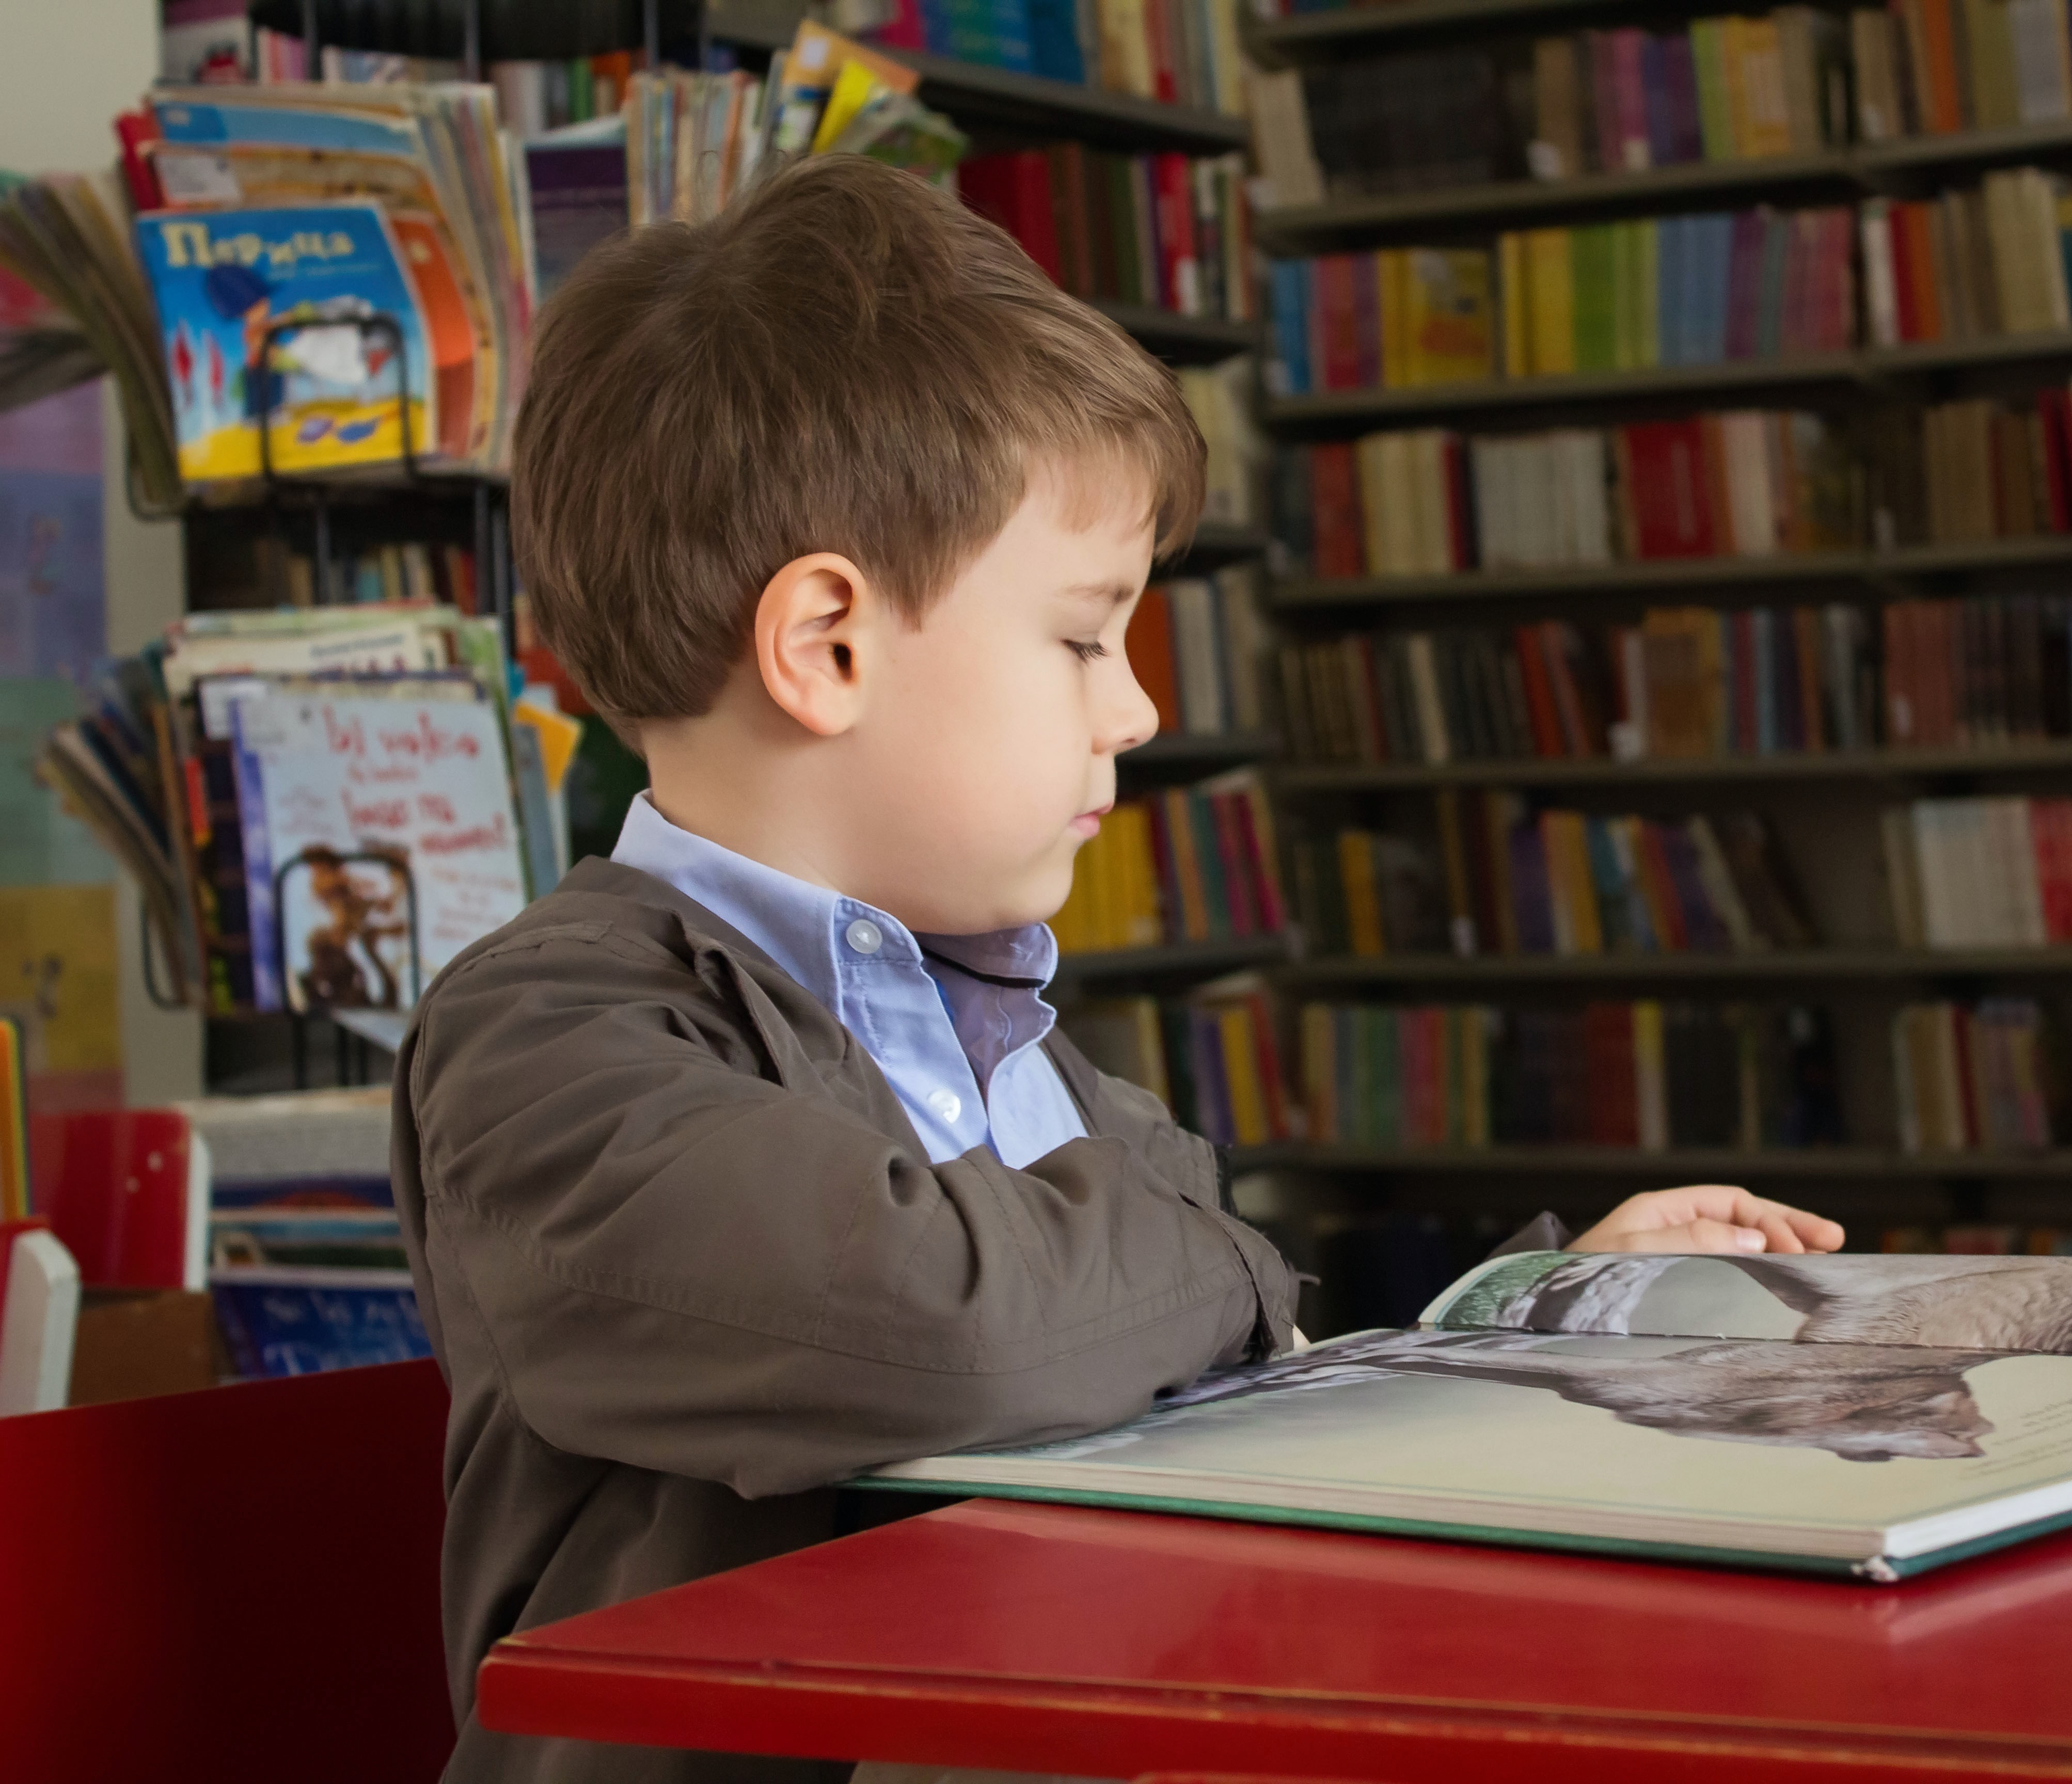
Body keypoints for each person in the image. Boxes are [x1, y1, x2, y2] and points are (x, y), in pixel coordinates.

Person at [392, 153, 1845, 1784]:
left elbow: (1206, 1382)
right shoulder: (549, 1037)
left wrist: (1527, 1316)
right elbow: (968, 1340)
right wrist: (1216, 1258)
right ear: (828, 648)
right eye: (1085, 635)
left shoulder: (999, 1025)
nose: (1137, 709)